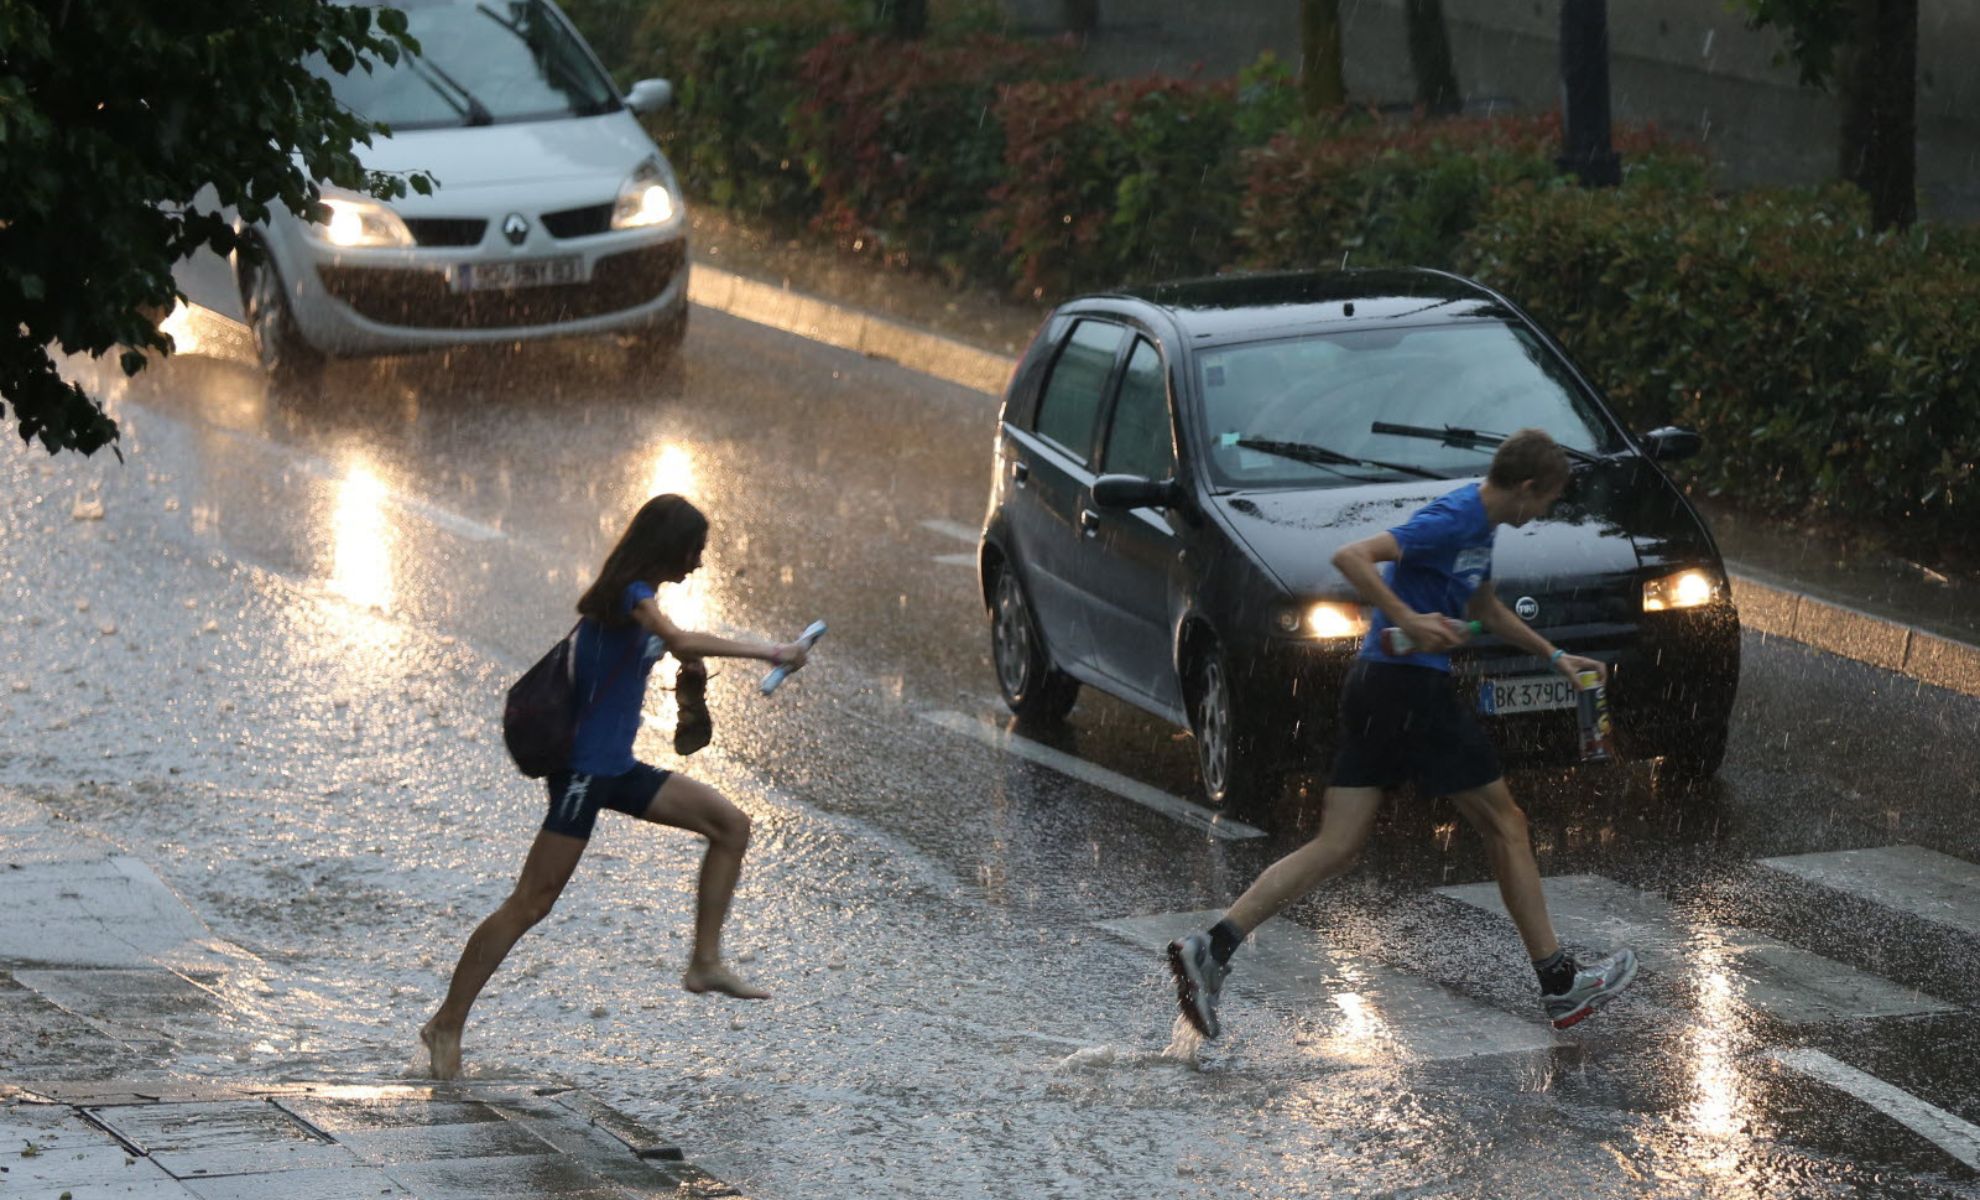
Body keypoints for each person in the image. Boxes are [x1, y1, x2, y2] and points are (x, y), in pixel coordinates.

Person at [1167, 429, 1637, 1039]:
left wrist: (1556, 656)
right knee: (1506, 823)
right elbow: (1352, 557)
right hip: (1409, 686)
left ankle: (1213, 946)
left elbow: (1486, 607)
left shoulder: (1480, 527)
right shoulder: (1453, 517)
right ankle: (1560, 984)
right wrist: (1410, 616)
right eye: (1546, 499)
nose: (1545, 511)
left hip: (1380, 687)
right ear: (1525, 488)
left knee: (1337, 844)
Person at [422, 494, 810, 1080]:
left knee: (730, 825)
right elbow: (677, 638)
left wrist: (692, 688)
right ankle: (446, 1022)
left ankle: (705, 961)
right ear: (668, 547)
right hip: (582, 774)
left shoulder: (641, 606)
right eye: (695, 551)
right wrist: (771, 651)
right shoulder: (629, 596)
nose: (699, 563)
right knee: (531, 902)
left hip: (617, 771)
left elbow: (671, 674)